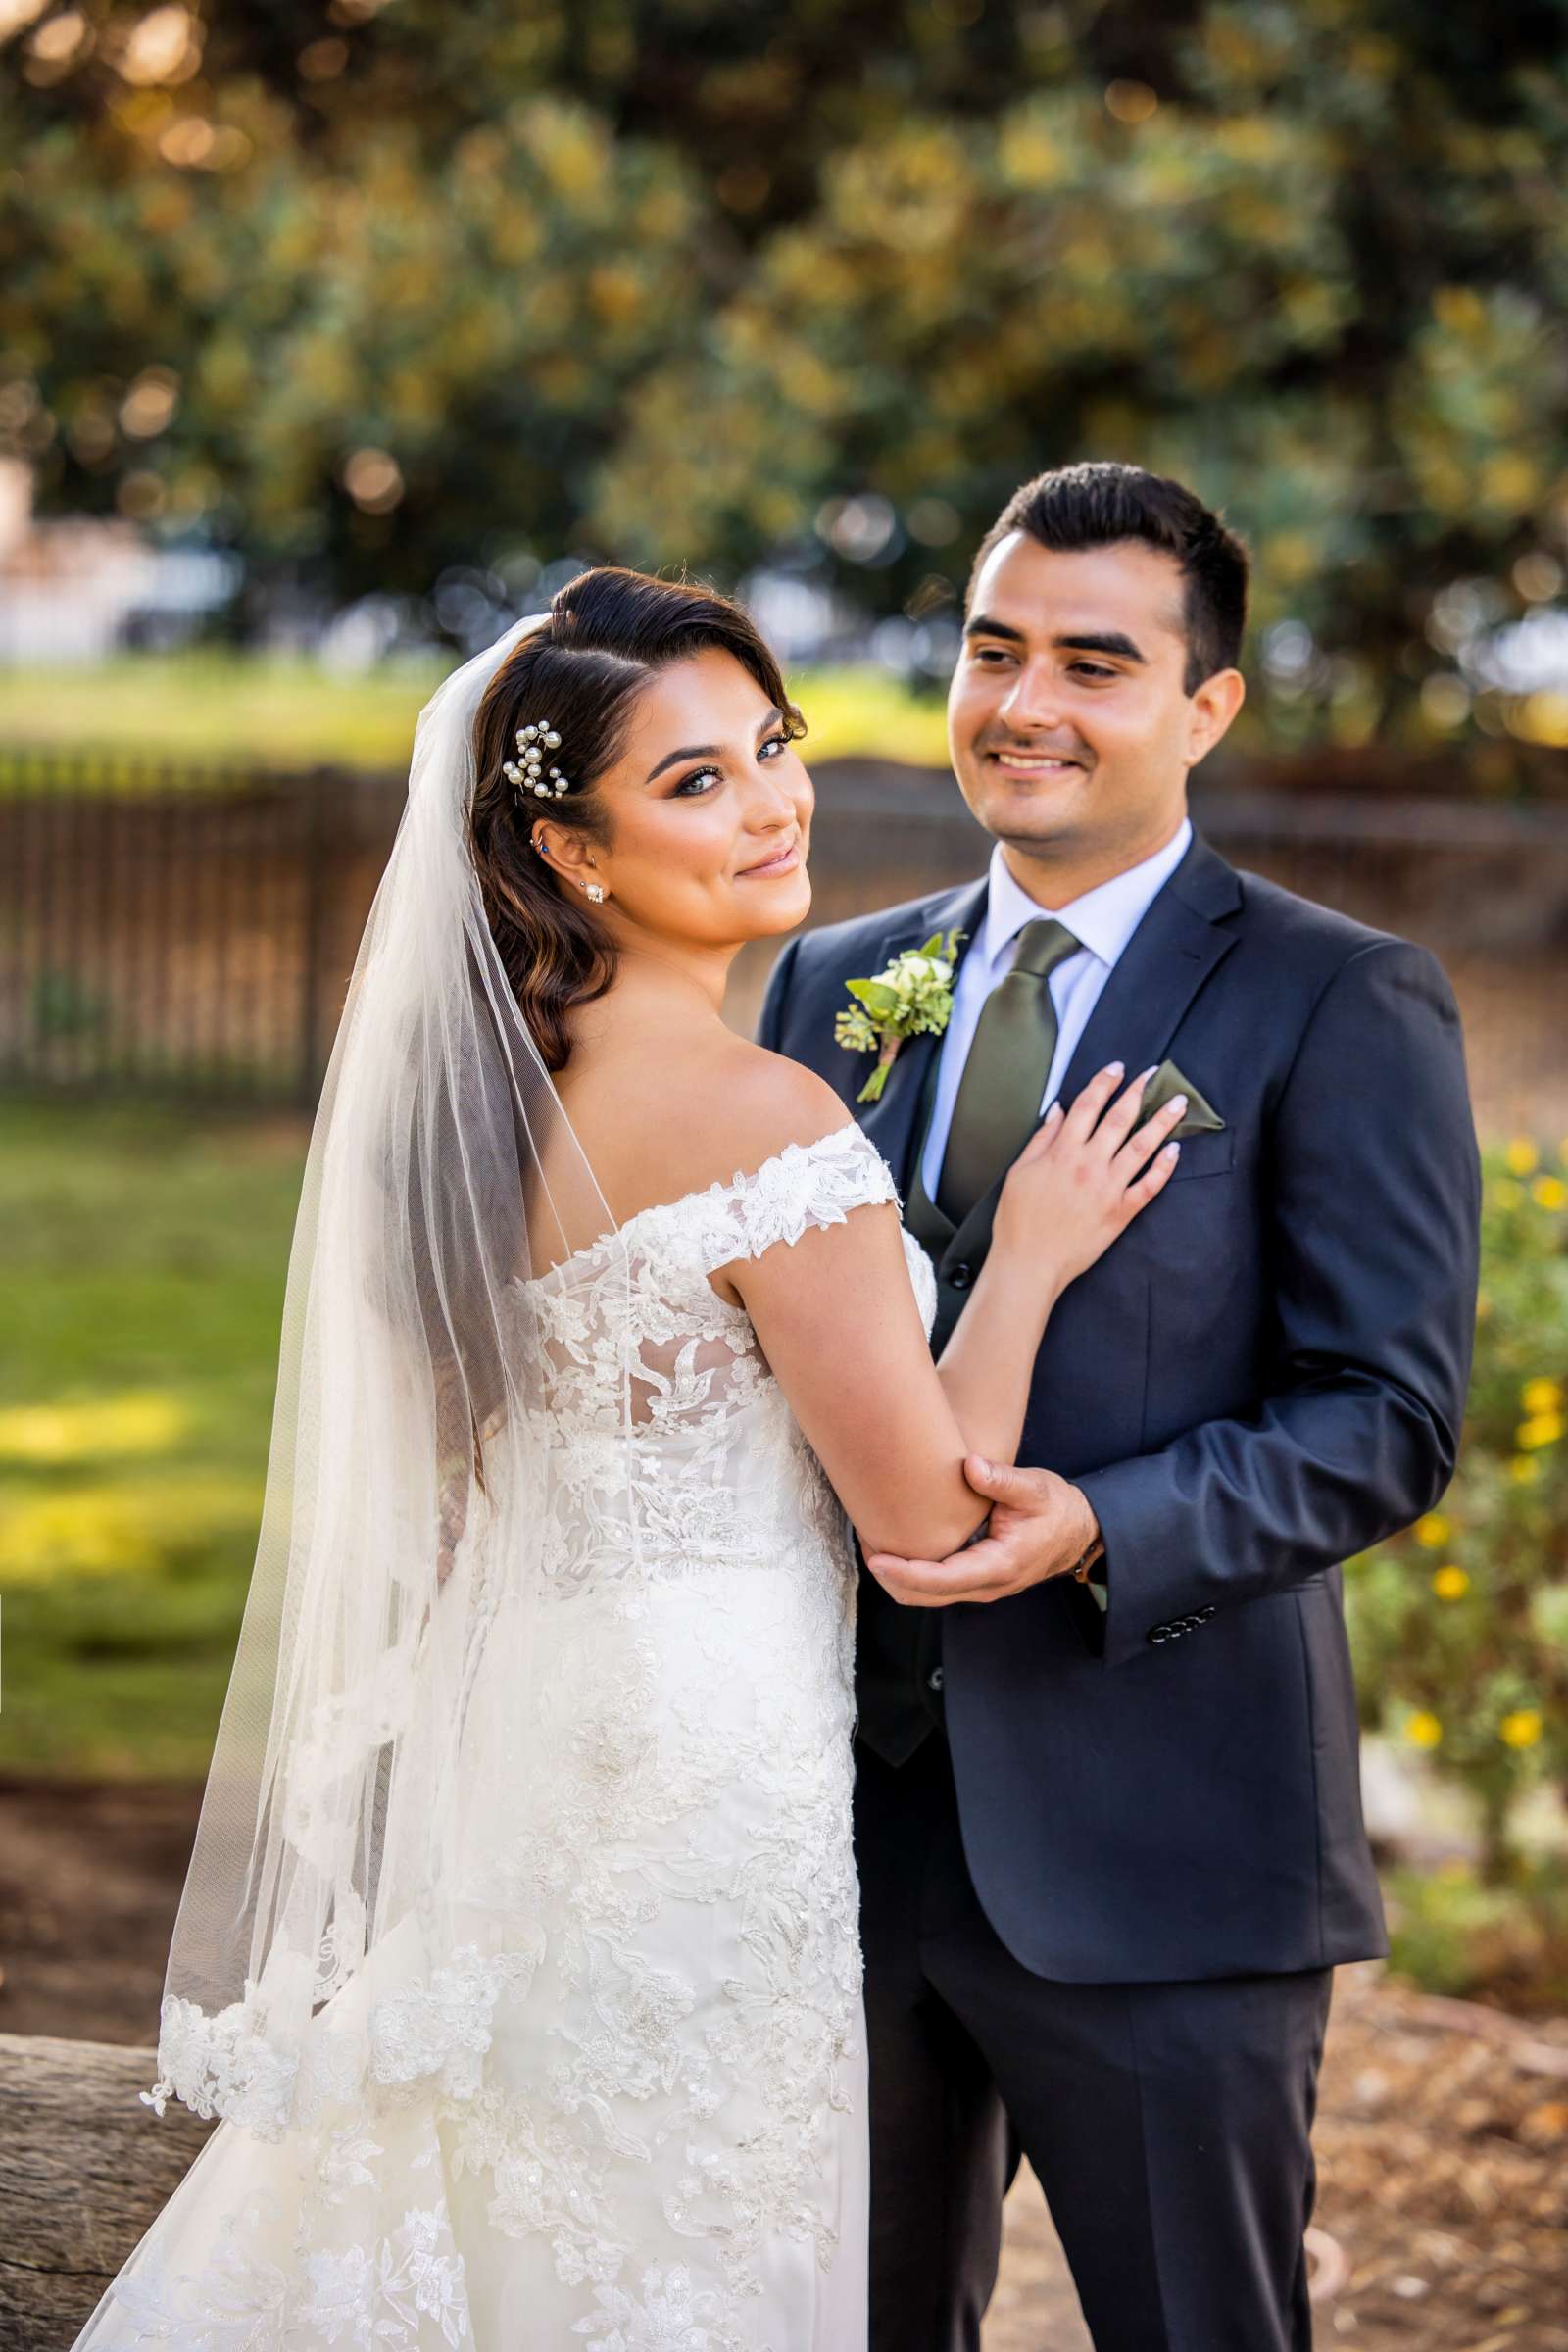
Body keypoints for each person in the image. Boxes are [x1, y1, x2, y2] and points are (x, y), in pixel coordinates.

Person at [71, 566, 1186, 2352]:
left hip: (523, 1740)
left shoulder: (469, 1113)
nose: (772, 803)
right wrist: (1034, 1257)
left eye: (773, 746)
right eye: (695, 782)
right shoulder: (761, 1118)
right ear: (570, 850)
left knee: (491, 2173)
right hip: (704, 1775)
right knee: (672, 2231)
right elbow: (924, 1519)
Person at [759, 462, 1482, 2352]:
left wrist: (1107, 1524)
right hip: (832, 1839)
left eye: (1097, 662)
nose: (1028, 705)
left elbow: (1384, 1413)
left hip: (1167, 1849)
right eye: (996, 650)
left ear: (1208, 705)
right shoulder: (835, 990)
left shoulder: (1341, 1000)